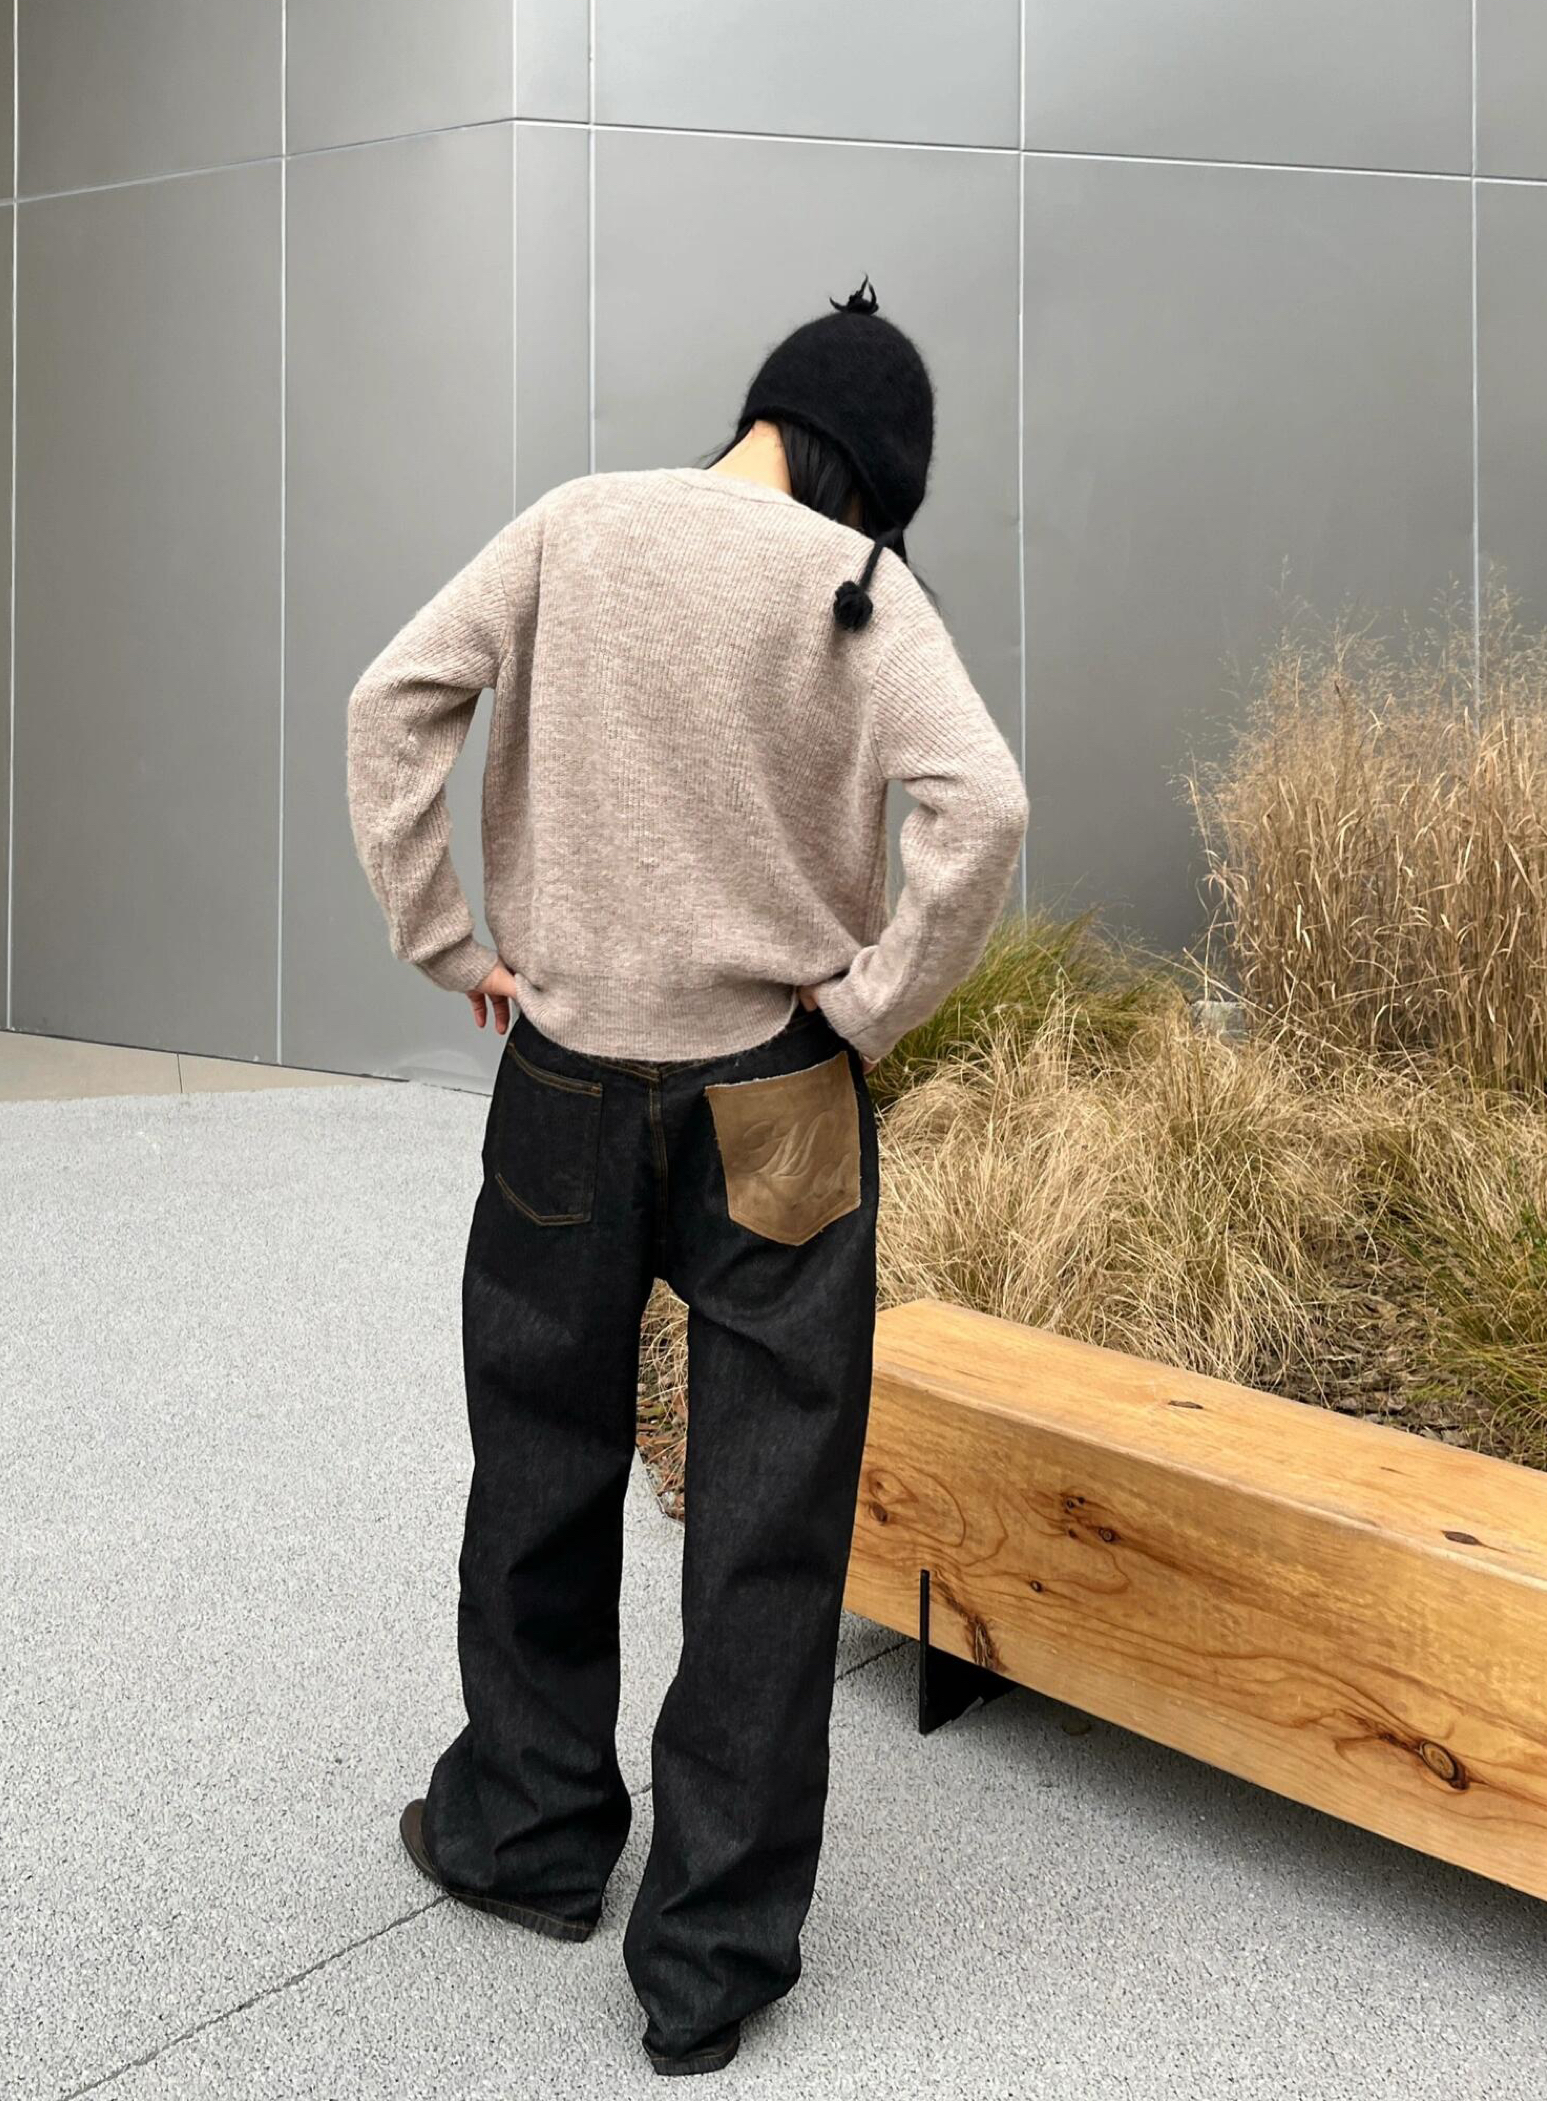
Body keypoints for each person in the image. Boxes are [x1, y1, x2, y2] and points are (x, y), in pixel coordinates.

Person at [344, 280, 1028, 2075]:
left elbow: (394, 699)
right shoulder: (858, 587)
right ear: (869, 473)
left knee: (541, 1461)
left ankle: (528, 1836)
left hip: (566, 1081)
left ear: (765, 413)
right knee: (765, 1517)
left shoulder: (576, 526)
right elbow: (985, 807)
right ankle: (709, 1962)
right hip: (779, 1101)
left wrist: (447, 937)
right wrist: (865, 1006)